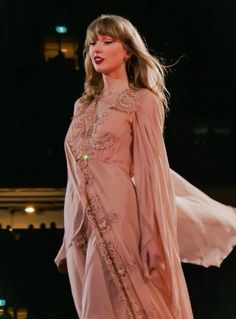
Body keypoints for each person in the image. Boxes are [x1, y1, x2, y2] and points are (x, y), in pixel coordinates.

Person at [55, 14, 236, 318]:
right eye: (91, 44)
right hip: (81, 227)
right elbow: (75, 173)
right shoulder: (82, 105)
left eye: (107, 41)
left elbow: (151, 172)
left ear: (127, 51)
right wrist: (68, 238)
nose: (96, 49)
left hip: (122, 217)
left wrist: (153, 237)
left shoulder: (143, 101)